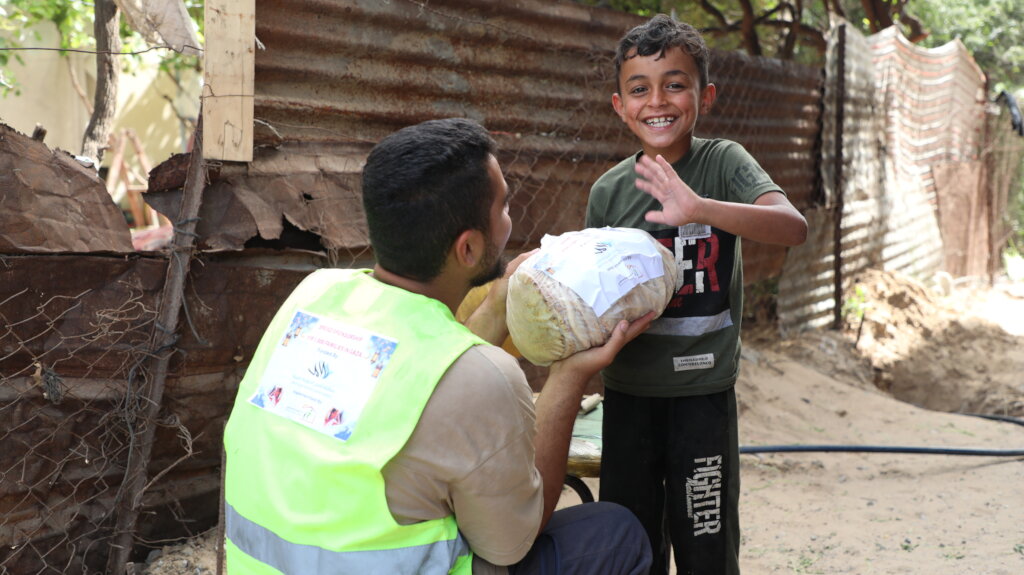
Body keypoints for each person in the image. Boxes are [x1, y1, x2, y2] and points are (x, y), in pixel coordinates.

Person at [223, 117, 654, 574]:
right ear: (467, 249)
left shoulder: (314, 295)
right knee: (614, 532)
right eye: (504, 207)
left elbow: (430, 381)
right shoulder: (483, 376)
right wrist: (569, 376)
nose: (511, 218)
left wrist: (497, 302)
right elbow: (514, 541)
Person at [585, 14, 809, 575]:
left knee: (706, 544)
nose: (657, 100)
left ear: (703, 95)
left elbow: (792, 227)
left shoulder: (724, 163)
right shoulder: (608, 192)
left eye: (675, 84)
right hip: (629, 394)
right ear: (619, 104)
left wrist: (700, 210)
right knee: (630, 547)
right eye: (640, 88)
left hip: (702, 393)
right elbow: (591, 294)